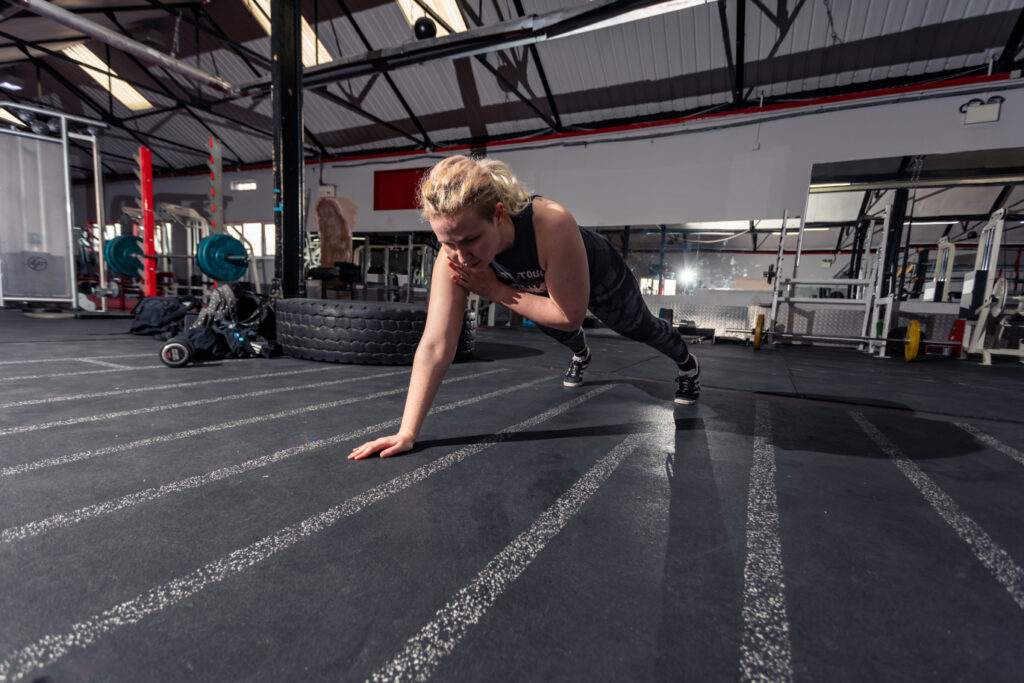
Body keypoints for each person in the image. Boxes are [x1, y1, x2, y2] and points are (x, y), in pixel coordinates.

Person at [349, 155, 700, 460]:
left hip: (599, 273)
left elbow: (570, 314)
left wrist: (494, 288)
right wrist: (407, 432)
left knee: (635, 326)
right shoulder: (454, 255)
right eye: (447, 243)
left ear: (498, 215)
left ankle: (687, 364)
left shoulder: (551, 222)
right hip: (541, 288)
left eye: (471, 240)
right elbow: (437, 344)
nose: (461, 256)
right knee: (550, 324)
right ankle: (581, 355)